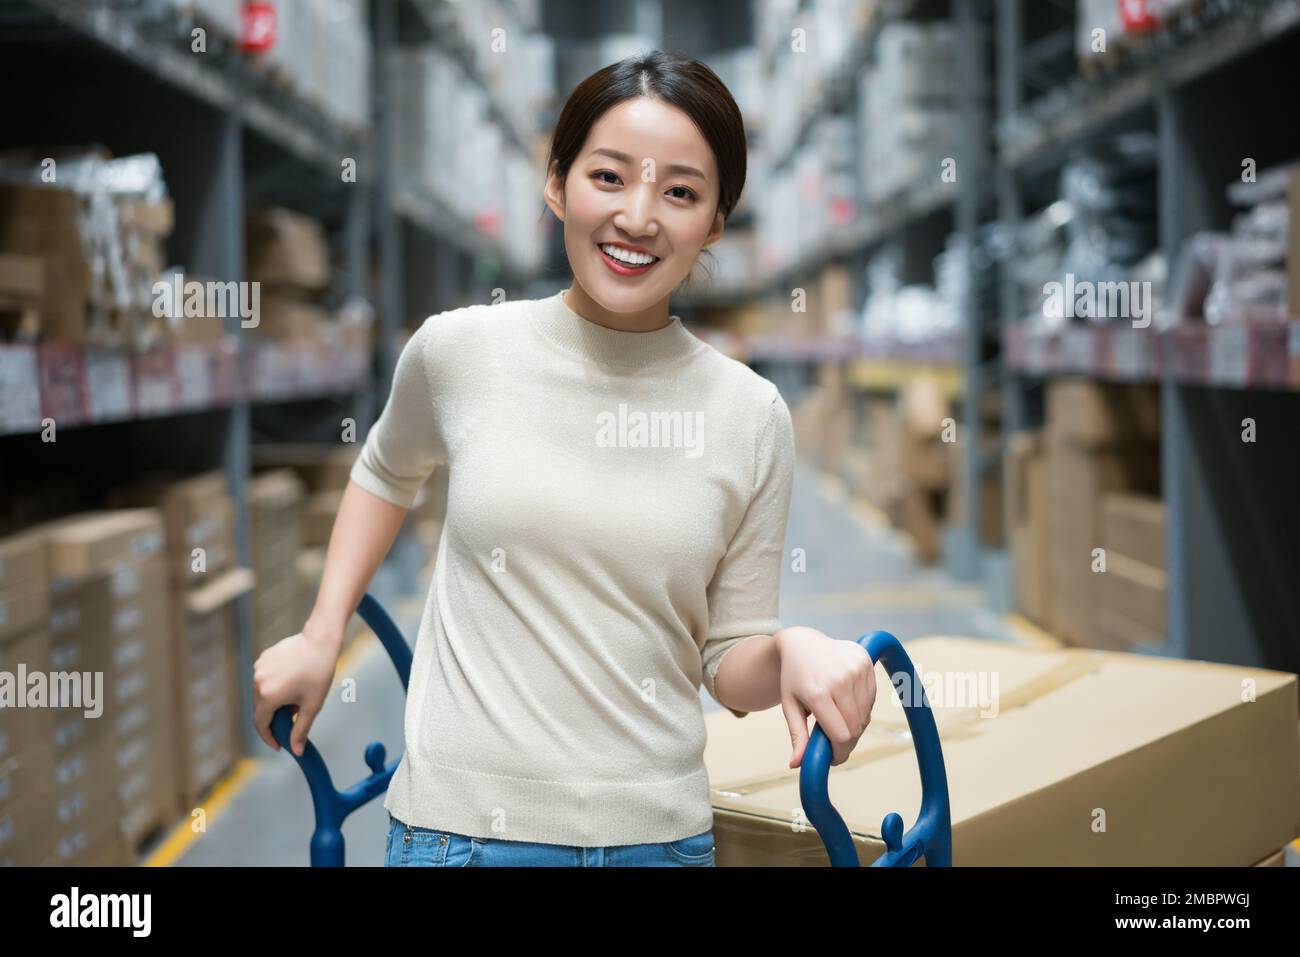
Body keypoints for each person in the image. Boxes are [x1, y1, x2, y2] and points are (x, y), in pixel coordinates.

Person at [252, 50, 876, 868]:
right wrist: (320, 629)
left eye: (681, 192)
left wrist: (792, 648)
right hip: (458, 836)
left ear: (717, 223)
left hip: (658, 842)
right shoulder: (460, 352)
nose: (639, 217)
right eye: (609, 177)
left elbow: (729, 665)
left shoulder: (751, 415)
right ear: (557, 184)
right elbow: (384, 470)